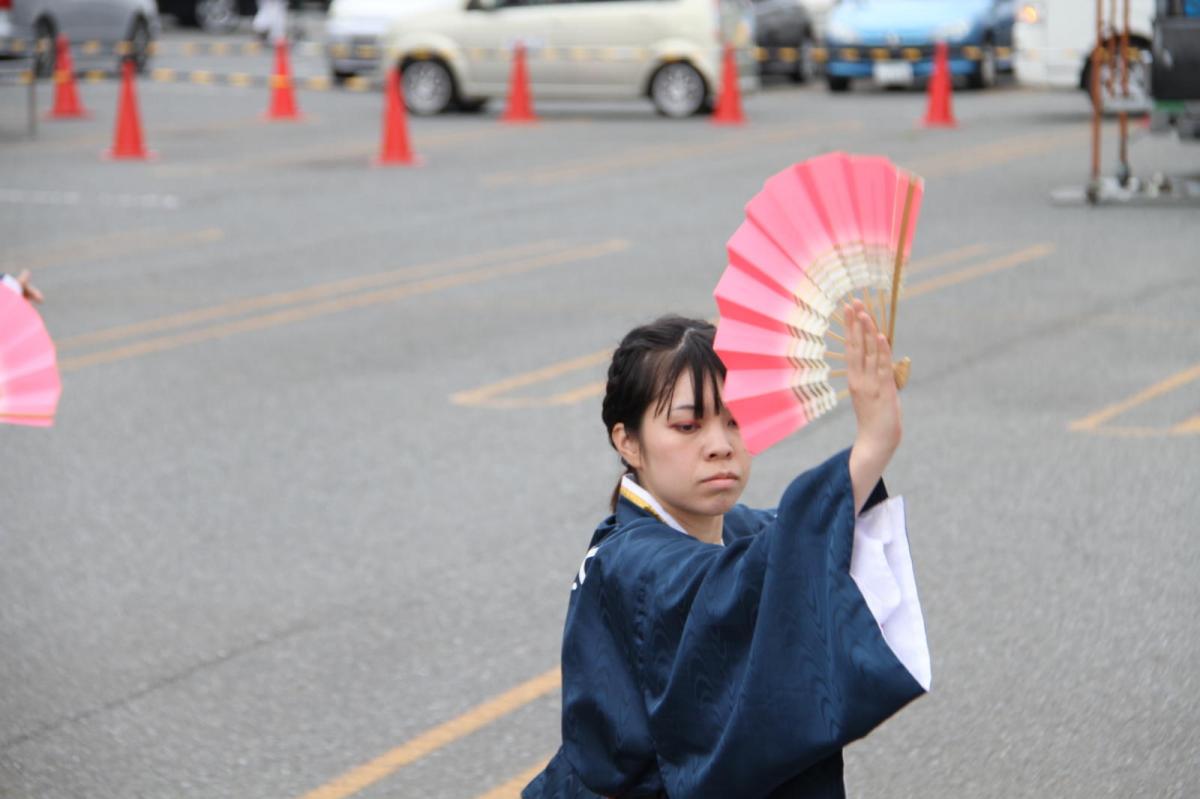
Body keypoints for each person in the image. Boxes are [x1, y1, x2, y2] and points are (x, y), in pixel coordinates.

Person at [524, 302, 930, 799]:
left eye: (735, 420)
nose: (720, 445)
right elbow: (765, 567)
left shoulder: (733, 529)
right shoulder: (630, 561)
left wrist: (843, 502)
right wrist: (870, 447)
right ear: (627, 442)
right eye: (687, 426)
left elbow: (792, 549)